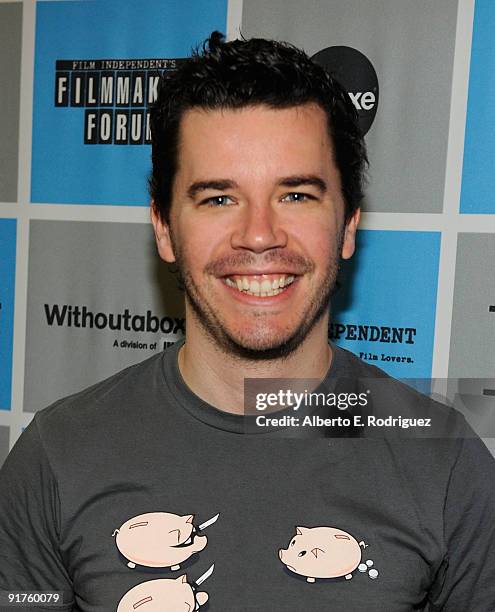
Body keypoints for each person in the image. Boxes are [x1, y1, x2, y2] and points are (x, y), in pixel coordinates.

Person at [1, 31, 494, 612]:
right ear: (163, 227)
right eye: (218, 199)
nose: (259, 235)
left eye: (296, 195)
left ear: (349, 224)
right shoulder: (58, 455)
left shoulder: (446, 465)